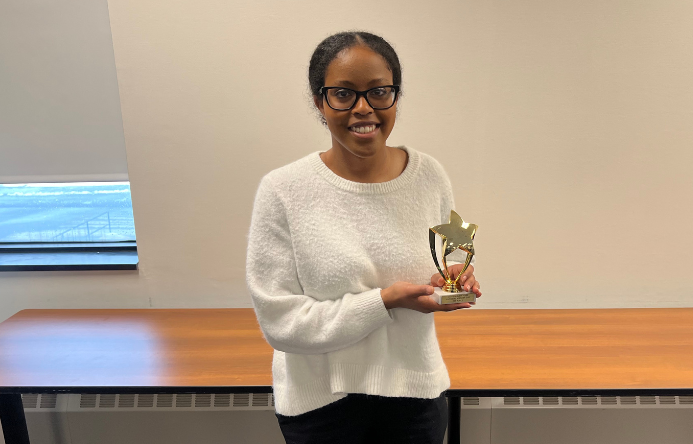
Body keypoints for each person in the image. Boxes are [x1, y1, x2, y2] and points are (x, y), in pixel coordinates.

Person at [246, 31, 482, 444]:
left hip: (415, 396)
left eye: (379, 92)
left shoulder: (428, 177)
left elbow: (443, 262)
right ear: (320, 101)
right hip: (321, 406)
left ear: (395, 97)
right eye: (343, 94)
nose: (363, 108)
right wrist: (385, 301)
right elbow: (281, 324)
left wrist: (455, 277)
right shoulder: (284, 190)